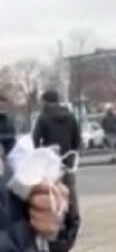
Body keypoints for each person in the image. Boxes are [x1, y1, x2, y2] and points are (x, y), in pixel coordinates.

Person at [32, 90, 81, 252]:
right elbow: (77, 138)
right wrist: (72, 153)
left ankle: (56, 222)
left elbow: (35, 140)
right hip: (67, 160)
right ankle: (72, 218)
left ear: (46, 101)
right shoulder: (70, 116)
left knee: (53, 193)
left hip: (50, 162)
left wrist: (41, 154)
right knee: (69, 190)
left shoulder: (43, 117)